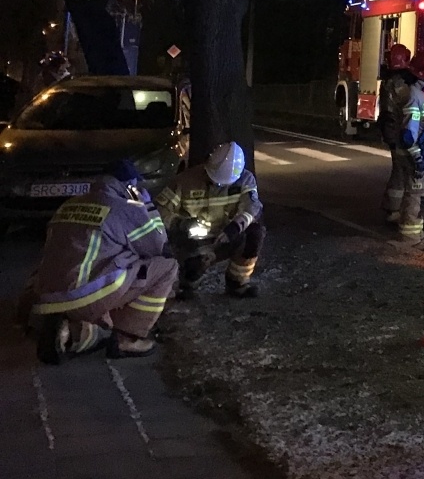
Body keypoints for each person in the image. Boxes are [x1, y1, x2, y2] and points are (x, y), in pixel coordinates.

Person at [28, 160, 177, 362]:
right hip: (83, 297)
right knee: (166, 267)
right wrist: (147, 207)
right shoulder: (125, 208)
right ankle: (126, 338)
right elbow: (158, 247)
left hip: (45, 296)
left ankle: (69, 332)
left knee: (110, 261)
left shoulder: (70, 203)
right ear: (129, 185)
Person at [155, 142, 265, 298]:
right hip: (194, 241)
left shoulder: (245, 180)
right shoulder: (185, 181)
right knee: (192, 269)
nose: (218, 185)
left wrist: (234, 228)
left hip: (225, 237)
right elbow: (160, 210)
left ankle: (237, 282)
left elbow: (252, 208)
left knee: (254, 234)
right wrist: (181, 223)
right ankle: (187, 283)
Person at [393, 47, 424, 244]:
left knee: (419, 195)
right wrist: (418, 158)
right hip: (413, 156)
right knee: (414, 197)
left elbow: (423, 126)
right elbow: (409, 133)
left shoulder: (417, 92)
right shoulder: (415, 95)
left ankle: (417, 235)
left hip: (417, 153)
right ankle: (411, 239)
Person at [378, 42, 415, 225]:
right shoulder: (399, 83)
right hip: (398, 132)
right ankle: (394, 211)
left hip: (393, 131)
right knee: (401, 172)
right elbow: (405, 105)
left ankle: (393, 208)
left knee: (399, 170)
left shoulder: (389, 81)